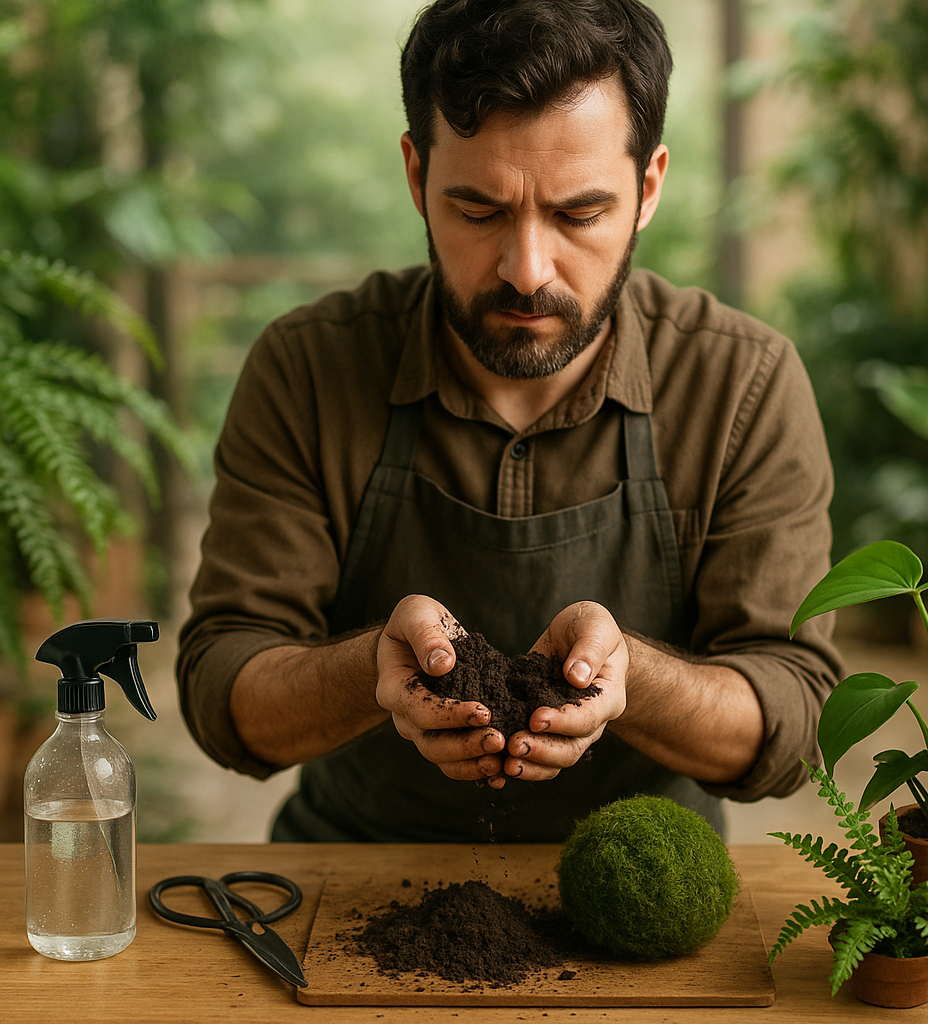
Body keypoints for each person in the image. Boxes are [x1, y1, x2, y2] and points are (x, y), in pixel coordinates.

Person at [177, 0, 842, 843]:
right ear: (417, 178)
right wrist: (369, 671)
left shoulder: (743, 382)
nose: (526, 271)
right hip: (350, 881)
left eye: (578, 214)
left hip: (643, 897)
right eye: (479, 212)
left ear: (648, 188)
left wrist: (632, 676)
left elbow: (793, 714)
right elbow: (221, 689)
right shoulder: (309, 368)